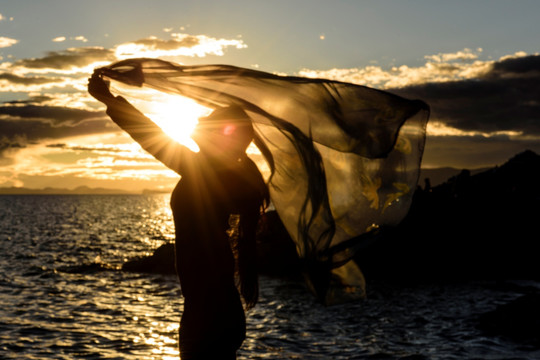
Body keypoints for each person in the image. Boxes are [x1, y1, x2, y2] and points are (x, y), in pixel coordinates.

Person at [88, 71, 269, 359]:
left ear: (222, 137)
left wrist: (109, 99)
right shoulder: (215, 173)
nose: (199, 120)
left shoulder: (209, 173)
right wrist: (109, 99)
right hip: (213, 311)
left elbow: (150, 136)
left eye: (209, 119)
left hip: (208, 315)